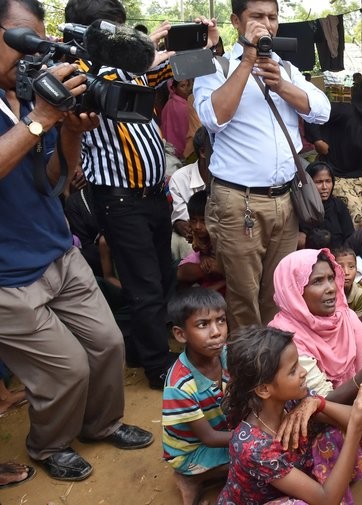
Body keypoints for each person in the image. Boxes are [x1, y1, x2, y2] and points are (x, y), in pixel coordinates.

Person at [0, 0, 154, 481]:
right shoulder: (32, 106)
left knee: (108, 344)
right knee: (67, 369)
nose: (30, 55)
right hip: (8, 276)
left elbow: (56, 183)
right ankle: (49, 445)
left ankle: (101, 424)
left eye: (37, 42)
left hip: (57, 252)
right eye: (20, 40)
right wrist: (43, 118)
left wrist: (69, 133)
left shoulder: (27, 96)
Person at [64, 0, 218, 389]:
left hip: (152, 196)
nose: (122, 38)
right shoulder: (78, 76)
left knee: (162, 274)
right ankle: (156, 366)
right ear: (89, 34)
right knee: (144, 284)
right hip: (119, 199)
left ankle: (142, 346)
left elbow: (189, 67)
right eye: (113, 32)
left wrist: (209, 44)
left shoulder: (132, 69)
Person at [193, 0, 330, 329]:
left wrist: (281, 85)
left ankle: (271, 365)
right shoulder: (215, 68)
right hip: (239, 203)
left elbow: (322, 111)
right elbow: (213, 117)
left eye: (272, 17)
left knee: (280, 291)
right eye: (256, 16)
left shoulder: (286, 68)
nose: (266, 24)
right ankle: (248, 372)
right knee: (243, 296)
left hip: (287, 199)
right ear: (236, 22)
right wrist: (248, 60)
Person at [216, 326, 362, 504]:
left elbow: (352, 418)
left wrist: (319, 403)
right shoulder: (253, 446)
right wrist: (355, 430)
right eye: (293, 370)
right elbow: (326, 500)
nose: (303, 372)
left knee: (330, 433)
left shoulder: (291, 400)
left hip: (290, 485)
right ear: (264, 389)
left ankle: (331, 484)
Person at [269, 248, 362, 407]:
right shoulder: (283, 337)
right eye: (317, 281)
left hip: (354, 410)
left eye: (331, 278)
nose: (331, 288)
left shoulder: (344, 316)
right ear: (294, 290)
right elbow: (322, 403)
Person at [162, 288, 231, 505]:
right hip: (191, 452)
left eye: (221, 321)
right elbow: (209, 438)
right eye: (203, 325)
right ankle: (191, 476)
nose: (216, 332)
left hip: (221, 432)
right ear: (181, 334)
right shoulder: (179, 385)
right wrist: (255, 436)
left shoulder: (225, 354)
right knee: (256, 457)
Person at [304, 76, 362, 228]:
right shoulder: (345, 111)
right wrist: (318, 140)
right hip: (336, 174)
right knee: (354, 210)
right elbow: (311, 113)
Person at [169, 126, 212, 261]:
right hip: (194, 235)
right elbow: (183, 223)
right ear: (203, 152)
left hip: (223, 235)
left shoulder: (231, 176)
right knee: (183, 244)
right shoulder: (180, 178)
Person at [297, 160, 354, 250]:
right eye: (319, 182)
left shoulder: (338, 205)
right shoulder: (301, 209)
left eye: (328, 181)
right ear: (309, 184)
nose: (324, 187)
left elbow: (350, 237)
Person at [177, 191, 226, 293]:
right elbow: (181, 274)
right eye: (194, 221)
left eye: (203, 221)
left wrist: (219, 269)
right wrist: (204, 259)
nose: (198, 227)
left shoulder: (224, 238)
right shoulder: (197, 236)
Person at [160, 78, 194, 160]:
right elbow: (185, 132)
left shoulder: (170, 103)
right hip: (180, 151)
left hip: (167, 150)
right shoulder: (184, 107)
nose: (187, 89)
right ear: (174, 89)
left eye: (187, 85)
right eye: (182, 86)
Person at [333, 247, 362, 322]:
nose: (346, 272)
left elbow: (359, 326)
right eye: (340, 267)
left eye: (351, 267)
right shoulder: (328, 292)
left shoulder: (359, 294)